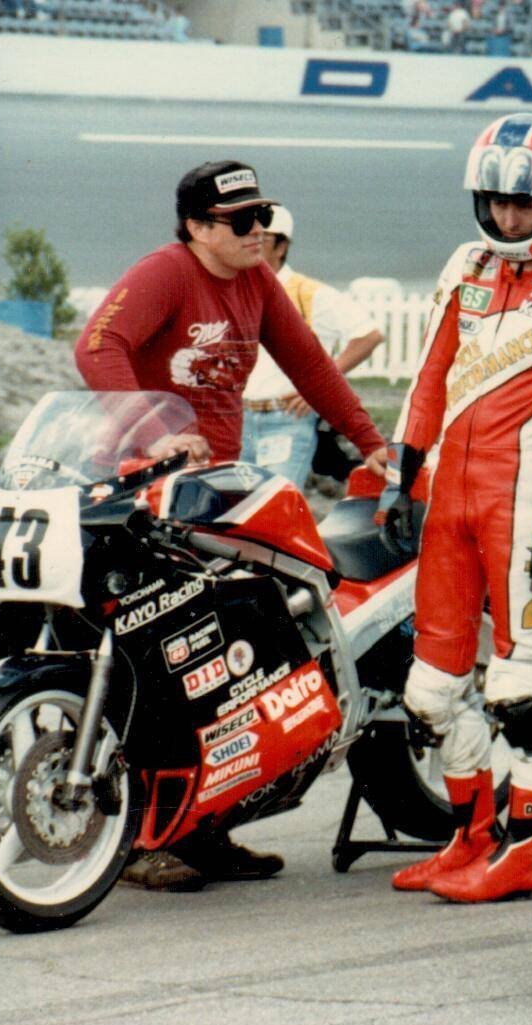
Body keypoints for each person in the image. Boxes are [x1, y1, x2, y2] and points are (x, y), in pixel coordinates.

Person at [74, 160, 389, 891]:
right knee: (157, 662)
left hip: (210, 498)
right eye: (241, 220)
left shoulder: (256, 281)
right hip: (138, 493)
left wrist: (372, 442)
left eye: (264, 216)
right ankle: (140, 838)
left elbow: (310, 363)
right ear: (196, 228)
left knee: (232, 659)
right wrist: (150, 430)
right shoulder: (166, 271)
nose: (260, 230)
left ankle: (206, 825)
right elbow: (97, 346)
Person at [379, 113, 532, 904]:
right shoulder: (467, 265)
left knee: (518, 689)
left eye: (524, 205)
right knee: (426, 692)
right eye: (495, 202)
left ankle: (528, 847)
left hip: (527, 504)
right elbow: (430, 371)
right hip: (447, 501)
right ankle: (471, 835)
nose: (509, 218)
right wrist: (402, 469)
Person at [239, 206, 385, 488]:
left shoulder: (309, 293)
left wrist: (317, 390)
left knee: (272, 507)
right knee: (232, 511)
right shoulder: (239, 288)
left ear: (281, 246)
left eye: (262, 237)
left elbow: (369, 335)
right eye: (247, 234)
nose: (252, 242)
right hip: (240, 419)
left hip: (286, 419)